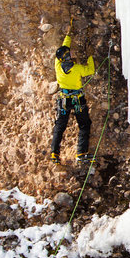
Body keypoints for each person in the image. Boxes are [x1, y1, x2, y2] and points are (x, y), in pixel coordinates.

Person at [50, 25, 95, 164]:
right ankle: (81, 153)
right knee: (84, 124)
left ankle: (54, 153)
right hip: (77, 100)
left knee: (60, 126)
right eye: (69, 54)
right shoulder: (77, 69)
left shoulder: (58, 64)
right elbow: (90, 70)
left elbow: (64, 46)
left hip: (63, 100)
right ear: (66, 57)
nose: (71, 54)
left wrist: (69, 35)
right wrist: (90, 56)